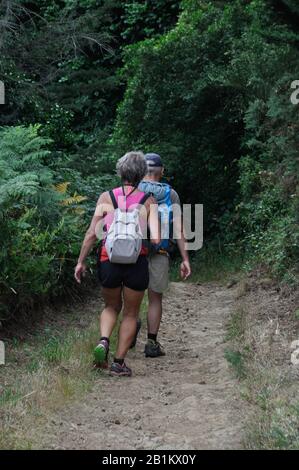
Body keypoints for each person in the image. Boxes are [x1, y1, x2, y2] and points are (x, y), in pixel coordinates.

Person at [74, 151, 160, 377]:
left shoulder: (105, 198)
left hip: (108, 260)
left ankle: (103, 340)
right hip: (136, 262)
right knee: (131, 313)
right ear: (142, 174)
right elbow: (156, 239)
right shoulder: (148, 201)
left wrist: (80, 261)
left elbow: (92, 233)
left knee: (111, 307)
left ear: (120, 171)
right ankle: (118, 362)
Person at [137, 152, 191, 357]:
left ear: (142, 170)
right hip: (159, 251)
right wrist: (185, 259)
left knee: (131, 296)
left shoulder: (133, 189)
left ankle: (131, 325)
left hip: (135, 251)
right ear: (162, 172)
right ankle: (151, 343)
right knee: (155, 299)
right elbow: (178, 229)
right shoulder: (171, 193)